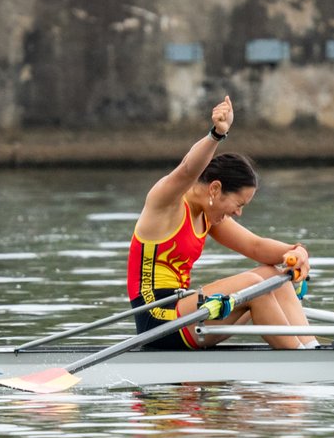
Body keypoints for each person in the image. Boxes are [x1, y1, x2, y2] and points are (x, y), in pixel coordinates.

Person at [127, 95, 316, 350]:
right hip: (158, 319)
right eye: (238, 205)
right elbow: (186, 170)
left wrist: (296, 251)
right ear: (215, 189)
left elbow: (256, 247)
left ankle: (310, 348)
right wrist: (216, 135)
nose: (238, 214)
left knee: (273, 274)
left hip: (187, 314)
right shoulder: (166, 203)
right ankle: (300, 362)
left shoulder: (208, 214)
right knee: (254, 285)